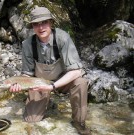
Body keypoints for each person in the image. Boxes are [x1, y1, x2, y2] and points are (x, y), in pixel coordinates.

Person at [9, 6, 91, 135]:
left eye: (44, 22)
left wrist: (53, 86)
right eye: (36, 24)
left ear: (51, 23)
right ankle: (47, 103)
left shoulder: (63, 38)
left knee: (81, 83)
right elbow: (27, 74)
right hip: (39, 84)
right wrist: (19, 84)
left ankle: (79, 122)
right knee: (31, 121)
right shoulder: (27, 44)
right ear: (32, 27)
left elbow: (76, 71)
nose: (41, 27)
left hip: (62, 80)